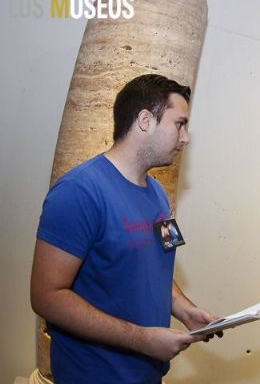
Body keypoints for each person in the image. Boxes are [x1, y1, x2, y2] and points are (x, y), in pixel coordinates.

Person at [30, 74, 221, 383]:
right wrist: (141, 339)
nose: (185, 139)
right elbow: (46, 297)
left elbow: (157, 267)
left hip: (148, 374)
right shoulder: (78, 192)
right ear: (145, 120)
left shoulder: (159, 194)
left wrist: (186, 310)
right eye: (179, 124)